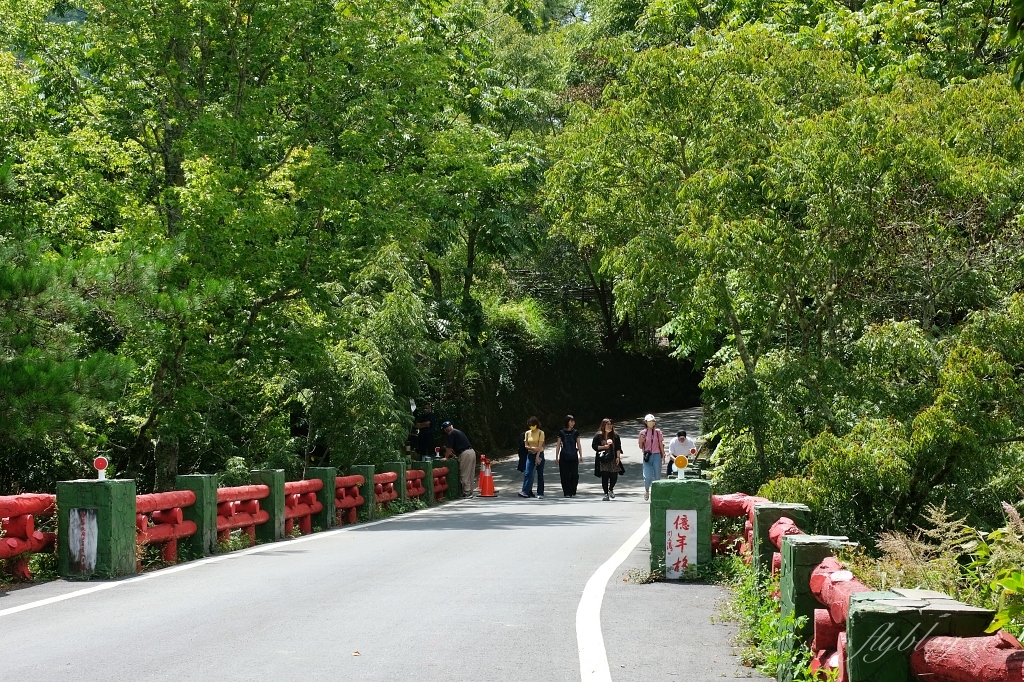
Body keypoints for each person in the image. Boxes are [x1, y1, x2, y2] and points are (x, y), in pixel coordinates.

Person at [441, 421, 476, 498]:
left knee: (464, 473)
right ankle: (470, 491)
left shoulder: (451, 433)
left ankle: (466, 492)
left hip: (465, 453)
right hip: (471, 451)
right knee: (470, 473)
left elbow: (449, 447)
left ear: (445, 429)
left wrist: (446, 457)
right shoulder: (458, 431)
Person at [592, 418, 622, 501]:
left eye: (610, 424)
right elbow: (594, 446)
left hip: (613, 458)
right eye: (607, 424)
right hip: (603, 458)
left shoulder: (615, 436)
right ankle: (605, 493)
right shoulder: (598, 435)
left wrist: (618, 457)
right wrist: (604, 447)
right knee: (604, 476)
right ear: (603, 425)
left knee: (614, 476)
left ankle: (611, 488)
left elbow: (618, 447)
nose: (609, 426)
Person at [639, 413, 665, 501]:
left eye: (653, 421)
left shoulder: (658, 432)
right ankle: (646, 490)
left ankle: (657, 494)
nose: (651, 423)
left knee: (657, 476)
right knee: (647, 476)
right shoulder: (643, 432)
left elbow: (661, 444)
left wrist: (663, 455)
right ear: (645, 422)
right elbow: (640, 446)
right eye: (649, 421)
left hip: (657, 455)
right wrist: (641, 440)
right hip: (647, 455)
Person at [555, 415, 583, 498]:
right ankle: (567, 492)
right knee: (564, 475)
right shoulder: (561, 432)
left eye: (573, 421)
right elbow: (558, 445)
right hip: (564, 456)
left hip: (574, 456)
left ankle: (572, 489)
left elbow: (578, 444)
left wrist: (581, 455)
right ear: (567, 422)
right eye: (571, 421)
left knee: (575, 475)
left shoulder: (576, 432)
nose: (573, 423)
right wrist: (556, 457)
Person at [518, 416, 545, 499]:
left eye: (532, 425)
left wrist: (537, 457)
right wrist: (531, 448)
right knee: (528, 473)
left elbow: (540, 447)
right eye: (530, 425)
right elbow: (526, 445)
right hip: (530, 455)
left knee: (540, 474)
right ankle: (525, 491)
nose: (531, 427)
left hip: (539, 454)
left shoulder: (541, 433)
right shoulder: (527, 433)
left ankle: (540, 492)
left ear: (536, 424)